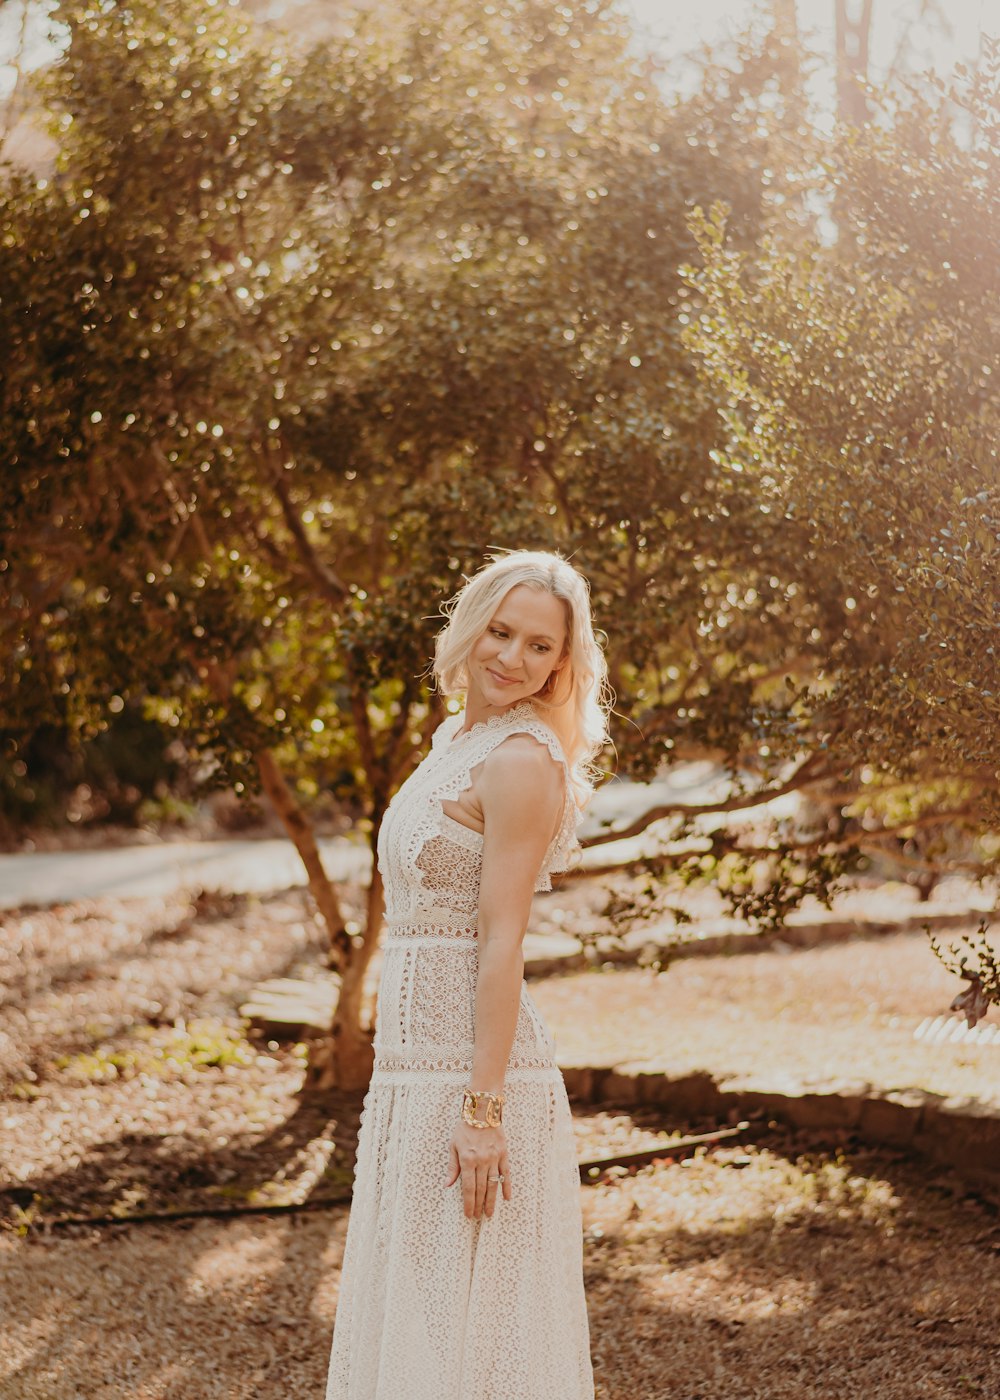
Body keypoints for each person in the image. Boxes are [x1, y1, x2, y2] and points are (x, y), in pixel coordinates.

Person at [325, 549, 612, 1400]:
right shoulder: (459, 738)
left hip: (476, 1080)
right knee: (418, 1314)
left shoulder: (521, 760)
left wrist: (483, 1112)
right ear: (473, 624)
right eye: (502, 632)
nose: (513, 659)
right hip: (410, 1076)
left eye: (539, 647)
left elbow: (501, 940)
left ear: (564, 662)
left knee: (475, 1338)